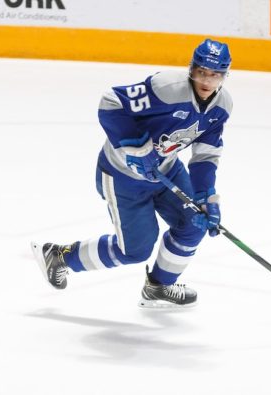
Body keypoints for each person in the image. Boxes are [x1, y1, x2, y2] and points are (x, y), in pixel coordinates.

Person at [31, 38, 233, 308]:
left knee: (192, 222)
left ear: (225, 76)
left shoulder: (222, 107)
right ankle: (60, 257)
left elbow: (205, 155)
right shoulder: (167, 89)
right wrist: (136, 149)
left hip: (168, 171)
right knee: (135, 251)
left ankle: (158, 286)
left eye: (215, 75)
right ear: (191, 69)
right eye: (201, 73)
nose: (207, 81)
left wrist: (205, 196)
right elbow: (111, 103)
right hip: (123, 176)